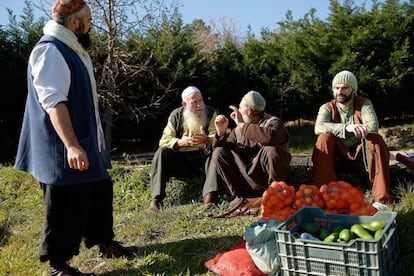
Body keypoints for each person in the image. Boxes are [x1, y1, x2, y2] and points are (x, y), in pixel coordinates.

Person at [14, 1, 130, 275]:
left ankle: (104, 241)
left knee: (100, 187)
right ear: (75, 22)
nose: (91, 25)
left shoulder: (70, 48)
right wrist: (72, 145)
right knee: (63, 202)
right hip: (62, 144)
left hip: (84, 139)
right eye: (88, 19)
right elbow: (54, 102)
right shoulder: (50, 50)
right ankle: (58, 265)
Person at [312, 70, 392, 210]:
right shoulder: (327, 108)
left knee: (375, 139)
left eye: (344, 88)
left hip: (361, 154)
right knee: (323, 138)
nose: (340, 92)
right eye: (337, 88)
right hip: (335, 155)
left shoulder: (364, 104)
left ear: (353, 90)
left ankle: (382, 200)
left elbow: (372, 126)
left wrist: (358, 131)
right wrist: (346, 128)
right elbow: (318, 127)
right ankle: (325, 194)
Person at [203, 91, 291, 201]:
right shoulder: (237, 131)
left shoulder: (273, 123)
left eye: (240, 108)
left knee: (271, 150)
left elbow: (269, 137)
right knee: (218, 151)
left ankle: (277, 194)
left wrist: (241, 125)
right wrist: (220, 133)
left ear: (249, 112)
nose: (238, 112)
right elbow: (223, 154)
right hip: (245, 181)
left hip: (266, 183)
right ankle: (239, 197)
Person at [149, 86, 218, 212]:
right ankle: (156, 200)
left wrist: (207, 139)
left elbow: (217, 135)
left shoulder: (211, 112)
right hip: (181, 159)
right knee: (161, 153)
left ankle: (210, 199)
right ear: (184, 104)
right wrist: (179, 142)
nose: (199, 105)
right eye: (194, 102)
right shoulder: (176, 115)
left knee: (216, 153)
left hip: (202, 157)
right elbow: (164, 141)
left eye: (200, 101)